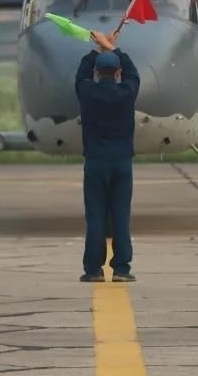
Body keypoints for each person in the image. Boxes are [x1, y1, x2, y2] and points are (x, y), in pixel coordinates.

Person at [74, 29, 140, 282]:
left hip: (95, 162)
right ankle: (122, 268)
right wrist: (112, 48)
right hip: (122, 163)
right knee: (121, 215)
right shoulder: (127, 93)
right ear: (118, 73)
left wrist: (98, 49)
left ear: (97, 73)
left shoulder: (87, 93)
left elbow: (81, 72)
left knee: (95, 217)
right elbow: (133, 71)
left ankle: (93, 270)